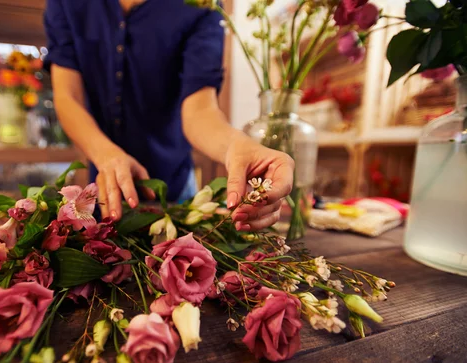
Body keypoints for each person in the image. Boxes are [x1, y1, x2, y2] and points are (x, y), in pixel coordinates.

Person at [44, 0, 294, 231]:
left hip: (175, 191)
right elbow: (68, 98)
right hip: (102, 193)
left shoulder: (201, 4)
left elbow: (199, 110)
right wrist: (107, 156)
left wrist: (237, 145)